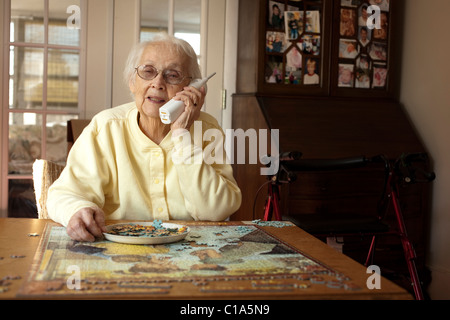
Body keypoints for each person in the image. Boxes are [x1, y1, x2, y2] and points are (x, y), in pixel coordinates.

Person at [47, 33, 242, 242]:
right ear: (132, 82)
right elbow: (62, 195)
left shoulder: (207, 129)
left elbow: (216, 210)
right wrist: (78, 210)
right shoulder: (105, 127)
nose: (158, 83)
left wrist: (181, 134)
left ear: (192, 88)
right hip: (116, 251)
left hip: (189, 252)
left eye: (173, 75)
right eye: (148, 72)